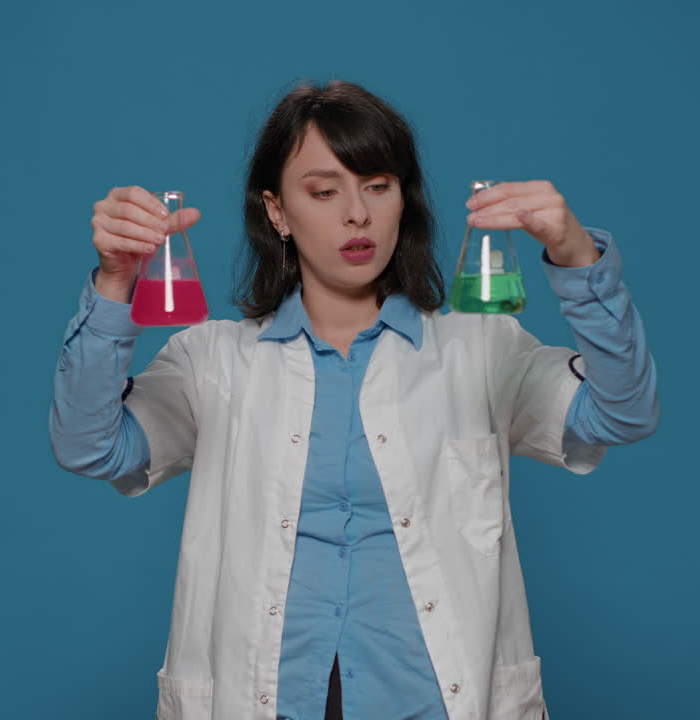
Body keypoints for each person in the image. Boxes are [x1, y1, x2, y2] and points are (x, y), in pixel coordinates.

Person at [50, 80, 658, 720]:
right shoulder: (215, 361)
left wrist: (574, 257)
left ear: (404, 201)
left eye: (377, 185)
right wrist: (117, 281)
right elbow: (91, 446)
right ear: (276, 211)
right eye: (323, 191)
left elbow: (624, 411)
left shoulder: (480, 351)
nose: (357, 214)